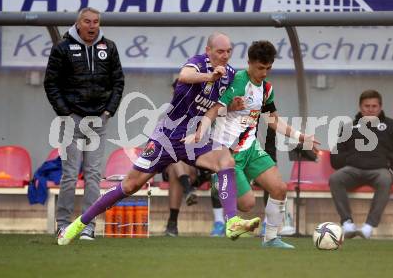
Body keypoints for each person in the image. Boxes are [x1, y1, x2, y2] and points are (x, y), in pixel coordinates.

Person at [57, 32, 260, 245]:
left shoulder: (229, 74)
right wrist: (209, 77)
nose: (225, 55)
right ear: (208, 51)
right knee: (129, 186)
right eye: (220, 51)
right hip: (167, 137)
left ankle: (231, 222)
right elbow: (184, 76)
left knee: (225, 161)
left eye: (229, 51)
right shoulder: (198, 64)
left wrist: (231, 107)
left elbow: (214, 109)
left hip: (193, 139)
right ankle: (78, 225)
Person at [186, 40, 319, 248]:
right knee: (247, 205)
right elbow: (215, 108)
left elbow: (273, 120)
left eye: (268, 68)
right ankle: (218, 182)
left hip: (251, 148)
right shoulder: (239, 81)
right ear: (249, 63)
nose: (264, 73)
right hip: (228, 152)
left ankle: (272, 239)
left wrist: (300, 136)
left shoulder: (266, 88)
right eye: (260, 68)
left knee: (279, 189)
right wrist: (201, 130)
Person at [44, 7, 124, 240]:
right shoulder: (62, 48)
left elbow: (118, 81)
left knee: (93, 175)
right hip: (72, 120)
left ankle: (88, 226)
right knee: (69, 175)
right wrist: (65, 113)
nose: (92, 26)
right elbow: (51, 83)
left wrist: (109, 111)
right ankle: (63, 224)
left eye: (96, 22)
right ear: (78, 24)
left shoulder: (108, 47)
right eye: (87, 21)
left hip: (99, 120)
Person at [329, 89, 393, 239]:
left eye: (374, 106)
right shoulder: (348, 127)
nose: (370, 109)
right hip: (353, 169)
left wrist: (388, 161)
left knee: (385, 179)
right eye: (366, 106)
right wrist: (351, 159)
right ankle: (347, 223)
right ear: (360, 107)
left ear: (380, 107)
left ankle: (369, 226)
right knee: (335, 178)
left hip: (380, 170)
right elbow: (335, 156)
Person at [163, 162, 225, 237]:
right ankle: (173, 222)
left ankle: (219, 222)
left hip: (204, 167)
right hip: (182, 171)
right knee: (175, 165)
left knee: (217, 167)